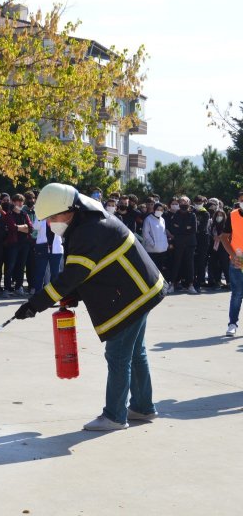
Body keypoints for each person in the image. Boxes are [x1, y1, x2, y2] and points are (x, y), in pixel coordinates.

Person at [14, 183, 164, 431]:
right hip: (142, 288)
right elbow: (88, 270)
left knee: (118, 355)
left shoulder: (87, 231)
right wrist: (72, 295)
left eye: (53, 217)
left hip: (132, 294)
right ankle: (143, 407)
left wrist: (35, 304)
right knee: (136, 352)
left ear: (69, 210)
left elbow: (72, 276)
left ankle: (115, 416)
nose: (51, 223)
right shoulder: (86, 222)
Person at [219, 191, 243, 336]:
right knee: (237, 294)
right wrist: (233, 255)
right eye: (241, 200)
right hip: (237, 259)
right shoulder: (233, 215)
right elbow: (223, 238)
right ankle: (232, 323)